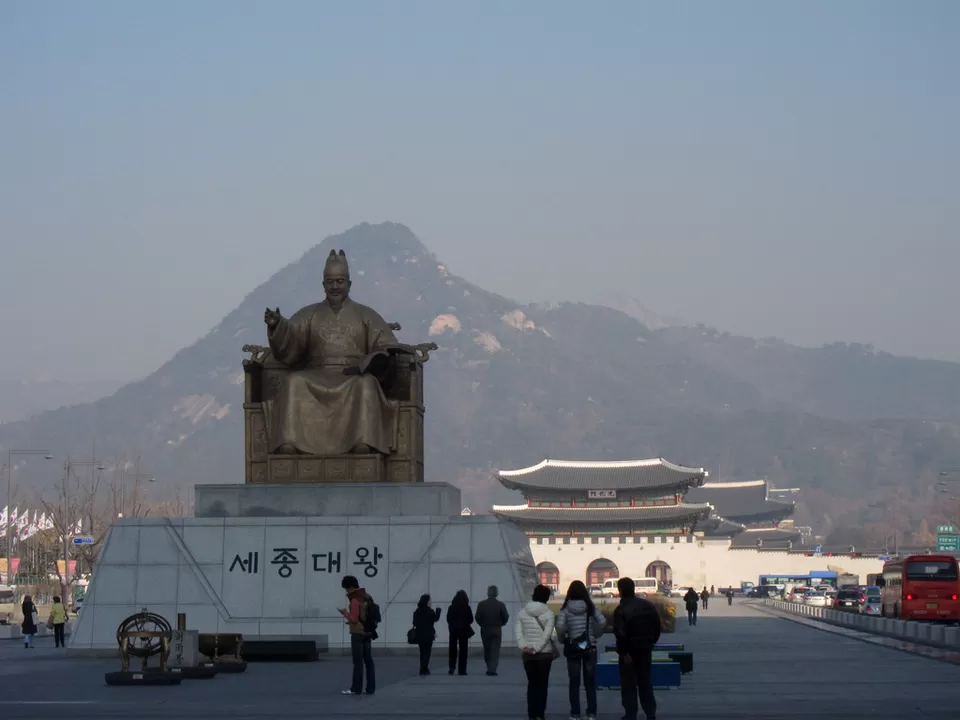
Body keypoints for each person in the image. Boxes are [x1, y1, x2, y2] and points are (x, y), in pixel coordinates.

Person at [261, 249, 403, 456]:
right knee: (293, 382)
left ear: (349, 284)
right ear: (323, 285)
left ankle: (362, 442)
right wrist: (277, 326)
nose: (335, 286)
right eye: (330, 282)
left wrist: (372, 359)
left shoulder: (366, 314)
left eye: (340, 281)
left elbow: (387, 344)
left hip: (353, 375)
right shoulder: (309, 314)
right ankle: (290, 442)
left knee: (366, 384)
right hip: (316, 372)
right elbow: (291, 338)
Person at [556, 580, 606, 720]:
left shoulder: (566, 609)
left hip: (573, 648)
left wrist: (563, 638)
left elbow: (560, 626)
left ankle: (575, 713)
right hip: (590, 647)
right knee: (590, 682)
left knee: (574, 682)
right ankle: (591, 713)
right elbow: (602, 622)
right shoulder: (590, 607)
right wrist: (594, 635)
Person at [613, 577, 662, 720]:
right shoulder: (647, 605)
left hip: (629, 653)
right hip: (645, 650)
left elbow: (620, 633)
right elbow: (657, 627)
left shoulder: (621, 609)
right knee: (645, 683)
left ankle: (630, 714)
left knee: (629, 685)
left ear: (620, 590)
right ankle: (650, 713)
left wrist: (624, 652)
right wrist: (651, 643)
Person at [516, 584, 557, 720]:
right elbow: (548, 635)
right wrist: (537, 649)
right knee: (542, 684)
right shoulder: (549, 614)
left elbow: (519, 633)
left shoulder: (522, 613)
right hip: (544, 655)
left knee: (532, 684)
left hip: (528, 655)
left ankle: (531, 714)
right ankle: (540, 713)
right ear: (546, 598)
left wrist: (524, 647)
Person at [338, 575, 376, 695]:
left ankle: (356, 688)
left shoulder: (354, 600)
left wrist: (345, 613)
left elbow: (354, 619)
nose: (346, 591)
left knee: (358, 662)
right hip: (368, 632)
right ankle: (370, 688)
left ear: (350, 587)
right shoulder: (367, 597)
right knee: (368, 661)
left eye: (346, 588)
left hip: (357, 634)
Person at [475, 584, 510, 676]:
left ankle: (489, 666)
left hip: (485, 629)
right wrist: (501, 624)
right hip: (496, 629)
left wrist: (482, 624)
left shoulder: (481, 604)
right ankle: (492, 669)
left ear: (488, 593)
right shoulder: (500, 605)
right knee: (495, 650)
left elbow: (477, 617)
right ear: (496, 594)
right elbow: (506, 617)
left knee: (487, 649)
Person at [446, 590, 475, 675]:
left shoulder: (451, 607)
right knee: (463, 650)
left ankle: (451, 667)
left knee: (452, 649)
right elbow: (471, 619)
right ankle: (462, 670)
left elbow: (448, 619)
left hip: (453, 630)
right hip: (464, 630)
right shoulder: (467, 607)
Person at [412, 593, 441, 675]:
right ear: (427, 601)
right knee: (427, 652)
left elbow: (414, 622)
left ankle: (423, 668)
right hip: (428, 635)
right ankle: (424, 669)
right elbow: (435, 619)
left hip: (419, 635)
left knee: (422, 652)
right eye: (430, 600)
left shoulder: (417, 611)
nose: (431, 602)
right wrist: (438, 611)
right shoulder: (429, 611)